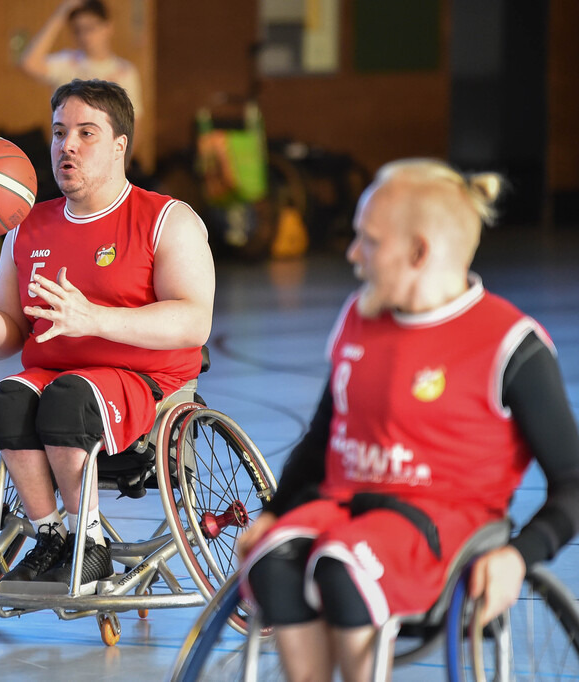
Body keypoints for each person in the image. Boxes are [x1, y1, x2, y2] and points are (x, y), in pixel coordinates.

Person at [236, 159, 579, 681]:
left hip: (439, 526)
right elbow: (325, 433)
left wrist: (518, 556)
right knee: (271, 558)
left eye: (368, 242)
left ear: (419, 253)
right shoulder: (359, 316)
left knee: (343, 569)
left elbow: (573, 483)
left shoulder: (511, 345)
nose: (352, 255)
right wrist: (274, 512)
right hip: (342, 509)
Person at [0, 78, 214, 588]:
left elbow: (195, 320)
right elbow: (7, 338)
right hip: (60, 375)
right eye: (60, 132)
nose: (68, 145)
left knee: (68, 399)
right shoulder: (27, 226)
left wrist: (96, 319)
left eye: (86, 133)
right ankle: (52, 535)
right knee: (8, 398)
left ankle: (91, 543)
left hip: (147, 382)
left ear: (119, 147)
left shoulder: (167, 219)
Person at [18, 0, 147, 174]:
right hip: (67, 161)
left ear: (108, 27)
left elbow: (135, 123)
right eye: (78, 30)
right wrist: (61, 13)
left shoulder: (124, 72)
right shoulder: (67, 63)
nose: (85, 36)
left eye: (90, 28)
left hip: (107, 164)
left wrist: (118, 163)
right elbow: (28, 63)